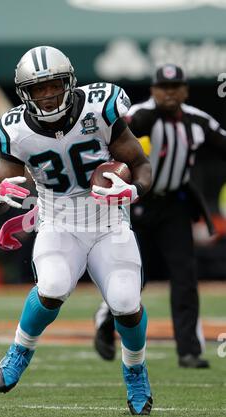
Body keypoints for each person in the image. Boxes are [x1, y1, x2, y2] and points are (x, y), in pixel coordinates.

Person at [0, 46, 153, 415]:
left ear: (70, 82)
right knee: (53, 287)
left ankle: (136, 371)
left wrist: (134, 189)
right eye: (38, 88)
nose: (47, 96)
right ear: (24, 93)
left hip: (108, 219)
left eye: (54, 85)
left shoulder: (100, 105)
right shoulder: (15, 129)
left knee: (126, 303)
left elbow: (140, 164)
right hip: (58, 220)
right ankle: (20, 349)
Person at [94, 63, 226, 369]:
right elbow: (106, 145)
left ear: (185, 90)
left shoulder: (197, 120)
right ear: (153, 90)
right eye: (163, 88)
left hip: (175, 205)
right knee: (133, 274)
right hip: (135, 201)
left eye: (175, 87)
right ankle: (104, 319)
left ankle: (189, 350)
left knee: (184, 276)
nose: (169, 93)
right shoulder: (137, 117)